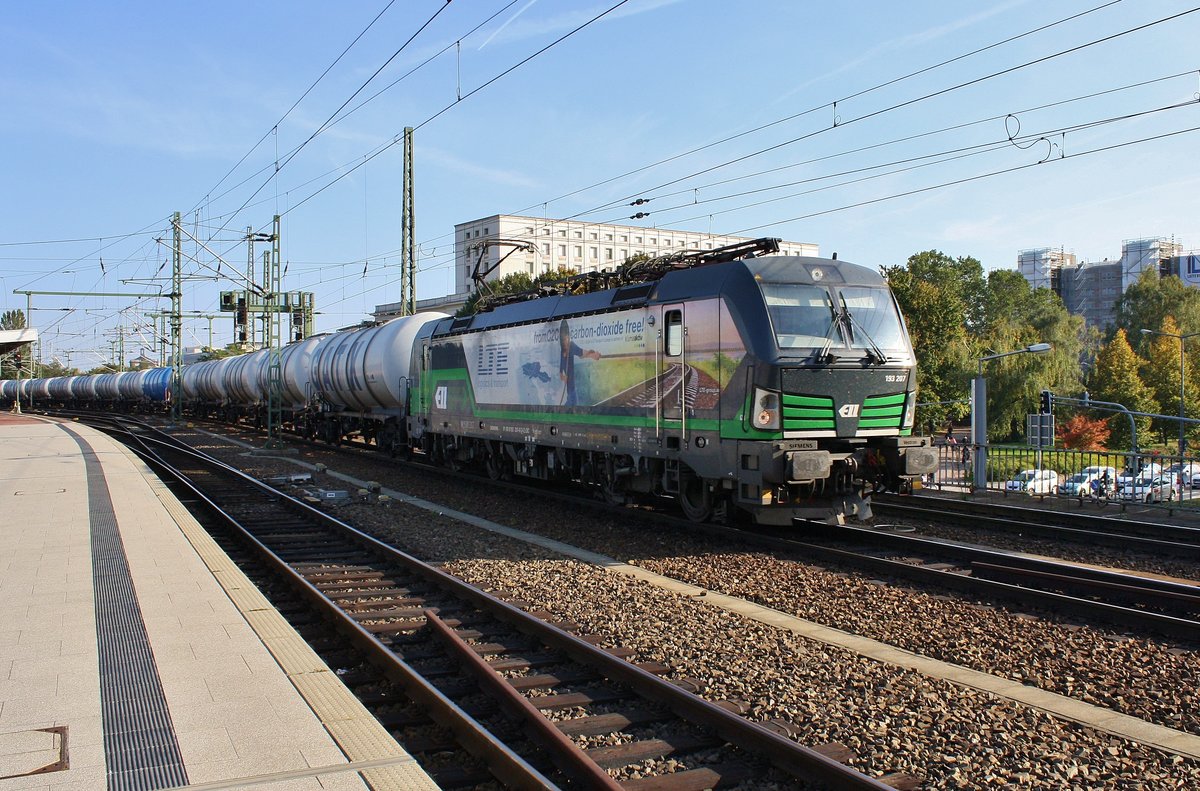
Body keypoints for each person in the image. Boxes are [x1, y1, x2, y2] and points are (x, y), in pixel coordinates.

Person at [558, 319, 601, 406]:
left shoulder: (571, 346)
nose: (565, 341)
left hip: (572, 390)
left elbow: (582, 353)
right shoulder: (563, 351)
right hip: (570, 390)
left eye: (566, 337)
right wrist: (563, 377)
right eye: (563, 339)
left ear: (568, 336)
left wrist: (593, 355)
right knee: (572, 405)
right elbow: (561, 371)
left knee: (571, 404)